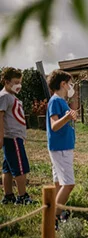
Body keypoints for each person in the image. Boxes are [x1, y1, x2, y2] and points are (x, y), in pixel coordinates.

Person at [46, 69, 78, 228]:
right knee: (69, 184)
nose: (71, 87)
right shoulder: (55, 101)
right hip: (61, 148)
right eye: (70, 84)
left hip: (62, 147)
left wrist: (70, 116)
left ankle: (55, 212)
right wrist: (67, 117)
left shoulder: (61, 101)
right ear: (63, 84)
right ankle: (53, 218)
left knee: (59, 183)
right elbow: (54, 125)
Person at [0, 67, 34, 205]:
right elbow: (0, 117)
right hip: (12, 137)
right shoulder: (4, 96)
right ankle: (22, 196)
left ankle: (8, 195)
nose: (18, 85)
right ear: (6, 82)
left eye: (20, 82)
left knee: (7, 167)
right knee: (21, 167)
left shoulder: (12, 96)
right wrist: (1, 136)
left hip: (16, 137)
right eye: (15, 82)